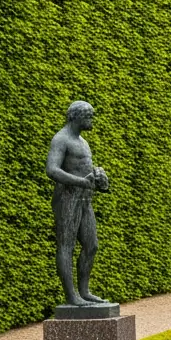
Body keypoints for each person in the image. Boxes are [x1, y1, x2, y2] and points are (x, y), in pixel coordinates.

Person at [46, 100, 113, 311]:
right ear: (76, 116)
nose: (92, 120)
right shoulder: (61, 139)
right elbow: (52, 170)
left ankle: (84, 291)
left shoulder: (82, 141)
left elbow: (84, 169)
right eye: (89, 116)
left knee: (91, 245)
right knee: (66, 246)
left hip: (85, 198)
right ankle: (72, 296)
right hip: (67, 198)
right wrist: (80, 182)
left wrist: (99, 178)